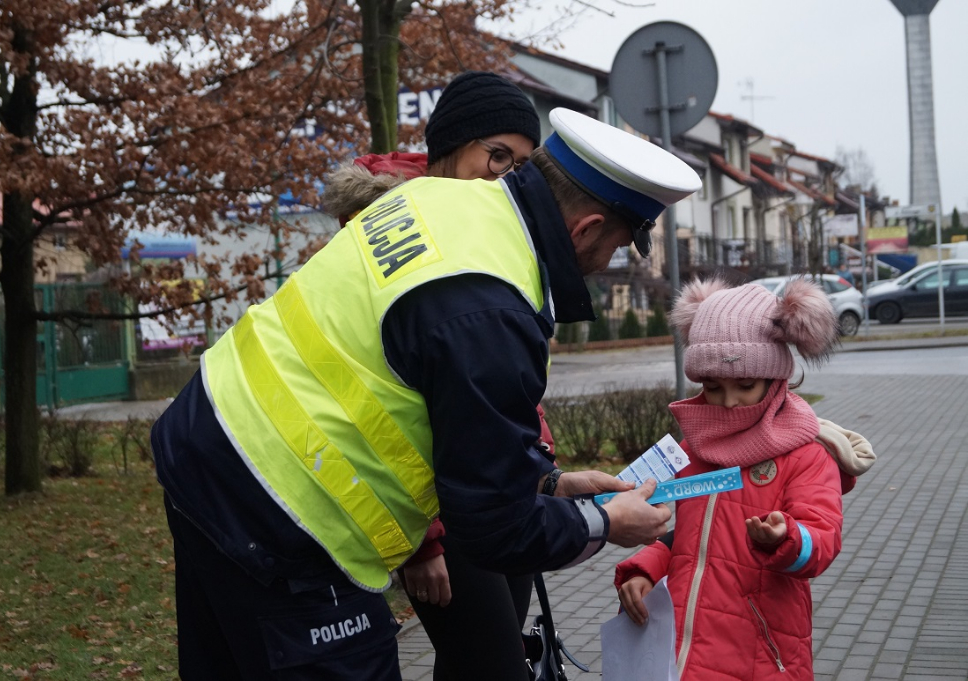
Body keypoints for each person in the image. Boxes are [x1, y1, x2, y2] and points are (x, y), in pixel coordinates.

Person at [152, 106, 701, 680]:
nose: (606, 261)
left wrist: (549, 483)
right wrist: (605, 522)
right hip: (289, 517)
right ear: (586, 229)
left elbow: (414, 393)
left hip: (204, 445)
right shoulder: (493, 306)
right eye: (615, 245)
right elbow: (494, 530)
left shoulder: (435, 199)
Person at [321, 70, 549, 681]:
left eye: (521, 163)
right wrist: (423, 544)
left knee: (477, 664)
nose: (505, 174)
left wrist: (539, 466)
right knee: (495, 666)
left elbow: (491, 376)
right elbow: (368, 402)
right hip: (439, 513)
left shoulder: (487, 228)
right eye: (496, 154)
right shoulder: (390, 230)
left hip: (501, 491)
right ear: (451, 146)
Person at [613, 278, 875, 680]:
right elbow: (688, 536)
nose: (729, 402)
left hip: (759, 652)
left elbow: (822, 540)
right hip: (681, 648)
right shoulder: (696, 447)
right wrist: (645, 567)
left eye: (745, 386)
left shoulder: (805, 454)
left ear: (776, 380)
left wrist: (787, 537)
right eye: (713, 387)